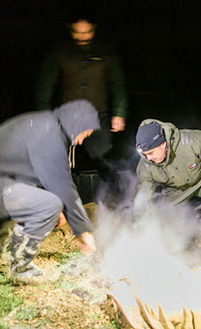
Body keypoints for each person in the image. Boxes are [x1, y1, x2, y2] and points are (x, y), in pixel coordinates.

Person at [0, 100, 99, 284]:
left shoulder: (43, 125)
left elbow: (37, 177)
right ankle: (21, 267)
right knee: (49, 204)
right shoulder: (48, 132)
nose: (82, 140)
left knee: (25, 200)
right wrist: (83, 231)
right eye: (85, 134)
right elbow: (63, 185)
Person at [34, 13, 128, 201]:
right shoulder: (60, 52)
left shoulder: (105, 51)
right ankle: (58, 204)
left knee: (105, 160)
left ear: (94, 30)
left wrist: (119, 113)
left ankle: (118, 202)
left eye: (87, 33)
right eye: (78, 33)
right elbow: (44, 87)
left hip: (98, 115)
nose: (82, 37)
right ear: (70, 30)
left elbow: (118, 84)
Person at [134, 120, 201, 242]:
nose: (148, 158)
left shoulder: (190, 141)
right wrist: (137, 219)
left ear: (163, 144)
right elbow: (142, 194)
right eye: (145, 155)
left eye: (151, 153)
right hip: (175, 192)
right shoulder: (146, 164)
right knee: (167, 228)